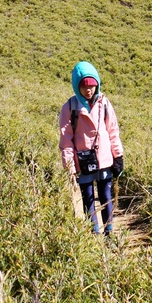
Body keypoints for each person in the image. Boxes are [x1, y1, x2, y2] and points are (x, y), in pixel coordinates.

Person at [59, 61, 124, 235]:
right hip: (83, 162)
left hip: (104, 161)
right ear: (76, 86)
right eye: (84, 86)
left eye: (92, 85)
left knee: (106, 197)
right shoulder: (69, 107)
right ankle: (94, 233)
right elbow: (66, 141)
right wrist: (70, 167)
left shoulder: (104, 102)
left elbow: (113, 131)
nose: (89, 89)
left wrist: (118, 156)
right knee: (88, 200)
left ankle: (109, 232)